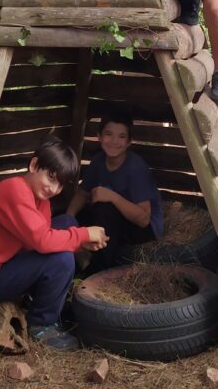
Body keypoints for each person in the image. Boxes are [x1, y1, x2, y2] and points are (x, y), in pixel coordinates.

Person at [0, 136, 108, 350]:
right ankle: (41, 324)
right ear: (34, 165)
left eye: (60, 184)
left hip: (9, 261)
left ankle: (43, 298)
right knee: (61, 259)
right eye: (50, 177)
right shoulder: (14, 190)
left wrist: (79, 244)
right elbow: (41, 241)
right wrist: (83, 235)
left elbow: (37, 241)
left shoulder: (41, 200)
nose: (53, 189)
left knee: (67, 223)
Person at [66, 110, 163, 275]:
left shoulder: (135, 168)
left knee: (104, 209)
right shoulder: (98, 161)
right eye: (108, 134)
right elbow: (82, 193)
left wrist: (112, 197)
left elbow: (144, 220)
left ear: (129, 141)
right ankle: (71, 265)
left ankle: (97, 272)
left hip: (144, 229)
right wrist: (68, 218)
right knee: (76, 216)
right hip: (115, 220)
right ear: (99, 136)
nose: (114, 141)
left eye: (121, 136)